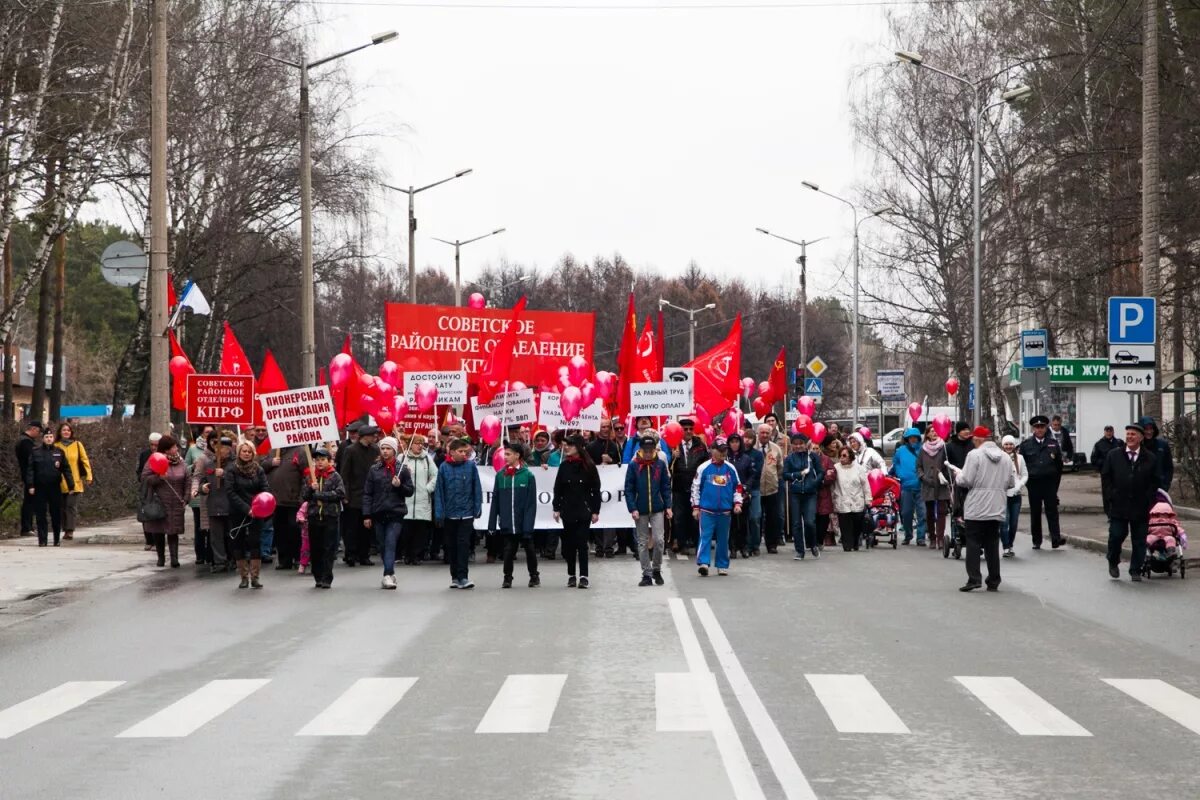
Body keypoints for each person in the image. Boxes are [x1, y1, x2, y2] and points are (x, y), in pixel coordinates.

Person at [954, 426, 1014, 592]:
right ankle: (994, 579)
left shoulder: (974, 455)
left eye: (974, 439)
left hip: (977, 506)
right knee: (992, 543)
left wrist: (957, 476)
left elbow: (966, 480)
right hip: (997, 506)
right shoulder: (1005, 457)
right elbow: (1011, 483)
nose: (973, 442)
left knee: (973, 542)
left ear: (979, 439)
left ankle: (974, 579)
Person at [1101, 424, 1160, 582]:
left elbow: (1155, 482)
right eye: (1128, 434)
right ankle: (1113, 561)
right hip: (1119, 504)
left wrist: (1149, 499)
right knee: (1116, 535)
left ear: (1140, 438)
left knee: (1139, 539)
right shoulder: (1114, 455)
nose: (1129, 437)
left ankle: (1136, 569)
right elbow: (1106, 479)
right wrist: (1110, 497)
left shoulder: (1150, 458)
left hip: (1141, 505)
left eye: (1133, 434)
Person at [363, 436, 416, 590]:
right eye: (383, 448)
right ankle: (390, 572)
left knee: (390, 542)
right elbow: (368, 493)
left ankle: (387, 574)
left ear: (394, 450)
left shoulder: (402, 469)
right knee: (382, 544)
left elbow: (410, 491)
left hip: (395, 513)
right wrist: (367, 515)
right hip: (378, 513)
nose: (385, 451)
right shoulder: (374, 470)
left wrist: (399, 486)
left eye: (388, 449)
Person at [554, 434, 602, 588]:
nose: (566, 447)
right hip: (568, 510)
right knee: (568, 545)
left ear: (579, 448)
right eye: (565, 444)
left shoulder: (589, 466)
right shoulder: (564, 466)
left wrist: (595, 510)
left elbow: (596, 490)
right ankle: (571, 575)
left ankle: (584, 576)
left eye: (570, 445)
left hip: (584, 510)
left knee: (582, 543)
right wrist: (556, 508)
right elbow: (558, 489)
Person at [489, 443, 539, 588]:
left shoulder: (528, 475)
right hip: (507, 523)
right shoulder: (500, 476)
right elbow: (495, 502)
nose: (505, 457)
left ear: (517, 455)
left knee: (529, 549)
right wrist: (492, 524)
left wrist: (528, 525)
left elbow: (531, 504)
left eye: (508, 454)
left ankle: (534, 576)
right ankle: (507, 577)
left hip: (523, 523)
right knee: (509, 551)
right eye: (505, 454)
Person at [434, 438, 482, 590]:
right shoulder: (443, 467)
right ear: (452, 452)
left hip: (466, 513)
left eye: (465, 452)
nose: (464, 454)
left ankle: (463, 576)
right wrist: (439, 512)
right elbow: (439, 492)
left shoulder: (470, 466)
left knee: (463, 544)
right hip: (450, 514)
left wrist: (476, 507)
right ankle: (454, 576)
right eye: (460, 452)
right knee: (452, 545)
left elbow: (477, 488)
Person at [624, 433, 672, 586]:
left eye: (651, 449)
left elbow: (665, 486)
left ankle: (656, 569)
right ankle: (646, 573)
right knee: (643, 542)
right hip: (641, 508)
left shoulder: (660, 464)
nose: (648, 453)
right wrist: (633, 508)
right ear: (641, 449)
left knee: (659, 540)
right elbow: (629, 488)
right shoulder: (634, 465)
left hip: (657, 508)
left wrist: (668, 506)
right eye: (646, 450)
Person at [691, 441, 743, 576]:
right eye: (719, 451)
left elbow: (737, 487)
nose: (723, 454)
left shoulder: (730, 468)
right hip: (707, 510)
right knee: (705, 536)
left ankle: (722, 565)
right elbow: (695, 487)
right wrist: (696, 507)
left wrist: (737, 503)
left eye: (725, 451)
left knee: (723, 539)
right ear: (712, 451)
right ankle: (703, 563)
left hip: (725, 511)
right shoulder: (703, 468)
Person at [225, 441, 269, 588]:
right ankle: (244, 577)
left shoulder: (259, 469)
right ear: (238, 452)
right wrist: (246, 508)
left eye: (249, 451)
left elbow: (265, 488)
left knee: (255, 542)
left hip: (257, 511)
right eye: (244, 451)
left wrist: (259, 506)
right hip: (238, 511)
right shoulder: (231, 469)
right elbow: (230, 492)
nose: (246, 454)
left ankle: (255, 577)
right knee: (238, 543)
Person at [140, 434, 188, 567]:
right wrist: (159, 477)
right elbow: (145, 479)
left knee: (173, 531)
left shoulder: (181, 462)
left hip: (176, 502)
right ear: (166, 450)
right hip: (159, 502)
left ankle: (174, 558)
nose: (176, 450)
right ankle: (161, 557)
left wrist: (186, 498)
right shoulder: (154, 460)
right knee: (158, 530)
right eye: (173, 447)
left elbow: (187, 480)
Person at [301, 447, 345, 589]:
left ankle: (327, 577)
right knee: (316, 548)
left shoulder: (335, 476)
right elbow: (304, 496)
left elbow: (339, 494)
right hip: (314, 516)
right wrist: (310, 489)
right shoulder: (311, 476)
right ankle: (318, 576)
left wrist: (321, 495)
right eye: (317, 460)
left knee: (329, 548)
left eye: (323, 459)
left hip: (330, 516)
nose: (319, 462)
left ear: (329, 461)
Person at [1018, 415, 1064, 549]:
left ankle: (1056, 538)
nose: (1039, 430)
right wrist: (1027, 483)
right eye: (1037, 427)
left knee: (1052, 511)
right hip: (1034, 483)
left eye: (1042, 427)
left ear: (1046, 428)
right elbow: (1022, 466)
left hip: (1050, 483)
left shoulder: (1053, 444)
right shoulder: (1026, 445)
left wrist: (1055, 485)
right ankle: (1036, 540)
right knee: (1035, 513)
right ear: (1033, 429)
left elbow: (1058, 466)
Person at [339, 424, 379, 566]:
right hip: (354, 495)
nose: (375, 438)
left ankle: (364, 555)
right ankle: (350, 554)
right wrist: (345, 494)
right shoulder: (350, 450)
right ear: (365, 437)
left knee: (366, 527)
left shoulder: (375, 450)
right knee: (351, 528)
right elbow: (345, 473)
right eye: (372, 435)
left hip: (370, 495)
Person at [26, 427, 73, 547]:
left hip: (54, 487)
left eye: (51, 437)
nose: (48, 439)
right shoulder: (35, 452)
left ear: (53, 438)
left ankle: (56, 539)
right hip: (39, 488)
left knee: (55, 514)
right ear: (43, 438)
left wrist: (71, 485)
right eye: (46, 437)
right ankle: (42, 540)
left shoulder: (59, 452)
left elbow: (66, 469)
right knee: (41, 514)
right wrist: (30, 485)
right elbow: (30, 470)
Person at [197, 433, 235, 573]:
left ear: (229, 449)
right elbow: (202, 481)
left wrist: (224, 474)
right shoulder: (209, 464)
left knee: (231, 535)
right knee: (216, 536)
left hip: (230, 505)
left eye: (223, 448)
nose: (219, 450)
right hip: (213, 503)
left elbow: (239, 482)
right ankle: (220, 561)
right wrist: (203, 488)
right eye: (217, 447)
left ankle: (233, 559)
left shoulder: (235, 464)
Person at [670, 418, 708, 556]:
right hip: (679, 487)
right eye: (685, 429)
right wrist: (672, 457)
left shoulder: (700, 445)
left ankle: (697, 543)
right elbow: (667, 467)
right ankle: (682, 543)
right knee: (679, 517)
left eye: (690, 429)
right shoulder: (673, 445)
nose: (688, 432)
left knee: (695, 517)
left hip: (695, 487)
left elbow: (705, 464)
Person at [782, 433, 823, 559]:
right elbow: (785, 474)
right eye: (796, 444)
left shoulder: (813, 457)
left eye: (801, 443)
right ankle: (800, 550)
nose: (798, 446)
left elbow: (821, 472)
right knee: (796, 523)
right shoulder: (789, 458)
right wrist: (796, 475)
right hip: (795, 493)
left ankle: (812, 544)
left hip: (810, 494)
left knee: (810, 522)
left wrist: (814, 483)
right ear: (792, 445)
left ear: (806, 444)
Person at [401, 434, 439, 566]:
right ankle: (407, 554)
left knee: (420, 531)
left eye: (422, 443)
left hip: (423, 501)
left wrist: (428, 488)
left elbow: (435, 475)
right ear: (410, 444)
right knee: (406, 530)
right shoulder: (402, 458)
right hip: (407, 500)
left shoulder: (427, 459)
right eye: (417, 443)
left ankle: (416, 555)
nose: (420, 446)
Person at [268, 446, 304, 570]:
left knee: (294, 528)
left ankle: (298, 557)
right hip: (276, 500)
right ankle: (284, 559)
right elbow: (261, 466)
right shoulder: (273, 450)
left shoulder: (300, 451)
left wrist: (302, 498)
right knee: (279, 530)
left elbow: (306, 474)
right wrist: (271, 462)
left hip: (293, 500)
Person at [54, 422, 91, 541]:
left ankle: (69, 530)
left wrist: (89, 475)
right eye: (64, 430)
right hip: (59, 481)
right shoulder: (56, 445)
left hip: (74, 481)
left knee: (70, 506)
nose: (66, 432)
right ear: (60, 432)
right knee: (62, 507)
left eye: (68, 430)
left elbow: (84, 460)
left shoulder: (77, 445)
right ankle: (65, 528)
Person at [889, 427, 926, 546]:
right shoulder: (900, 451)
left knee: (922, 513)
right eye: (910, 437)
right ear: (907, 439)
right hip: (906, 486)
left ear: (918, 438)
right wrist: (900, 474)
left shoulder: (923, 450)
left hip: (921, 486)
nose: (913, 439)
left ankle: (921, 537)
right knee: (906, 513)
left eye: (915, 437)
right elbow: (896, 464)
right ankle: (908, 535)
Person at [918, 426, 951, 551]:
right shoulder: (923, 449)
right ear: (927, 435)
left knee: (942, 512)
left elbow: (949, 463)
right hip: (928, 485)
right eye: (932, 431)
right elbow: (919, 466)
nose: (934, 433)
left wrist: (946, 476)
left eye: (936, 430)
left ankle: (941, 539)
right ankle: (932, 538)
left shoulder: (944, 447)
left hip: (941, 484)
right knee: (930, 513)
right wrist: (923, 477)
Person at [832, 446, 870, 551]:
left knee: (857, 524)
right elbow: (832, 486)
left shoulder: (859, 468)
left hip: (857, 500)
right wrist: (833, 500)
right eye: (840, 456)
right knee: (844, 525)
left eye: (844, 455)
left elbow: (865, 485)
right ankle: (847, 544)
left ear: (850, 456)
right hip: (842, 500)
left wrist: (868, 499)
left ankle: (855, 542)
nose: (841, 458)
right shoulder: (836, 468)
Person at [754, 424, 784, 554]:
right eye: (762, 433)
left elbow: (780, 467)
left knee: (773, 517)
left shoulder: (776, 449)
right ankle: (754, 544)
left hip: (772, 488)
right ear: (758, 433)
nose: (765, 435)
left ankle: (771, 544)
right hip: (756, 488)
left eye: (767, 433)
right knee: (756, 517)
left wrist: (775, 479)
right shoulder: (752, 448)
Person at [726, 433, 756, 558]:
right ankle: (732, 547)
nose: (734, 444)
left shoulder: (746, 458)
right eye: (732, 442)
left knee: (743, 522)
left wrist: (746, 487)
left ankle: (744, 547)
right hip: (728, 494)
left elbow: (752, 475)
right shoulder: (726, 458)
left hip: (743, 494)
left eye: (737, 442)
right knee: (731, 523)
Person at [185, 426, 212, 562]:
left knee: (211, 527)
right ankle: (200, 555)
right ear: (202, 433)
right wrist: (193, 466)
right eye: (207, 432)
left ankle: (210, 554)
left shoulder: (216, 449)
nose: (209, 434)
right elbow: (185, 468)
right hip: (198, 496)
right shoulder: (193, 449)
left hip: (211, 495)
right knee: (199, 527)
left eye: (211, 432)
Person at [999, 435, 1028, 558]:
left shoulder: (1020, 458)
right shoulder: (999, 458)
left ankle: (1010, 544)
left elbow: (1025, 475)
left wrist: (1019, 486)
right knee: (1004, 522)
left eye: (1011, 444)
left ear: (1014, 445)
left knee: (1014, 522)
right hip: (1003, 494)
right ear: (1002, 445)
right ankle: (1006, 547)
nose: (1008, 446)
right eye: (1006, 444)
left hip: (1016, 494)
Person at [15, 419, 43, 537]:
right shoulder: (26, 443)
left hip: (28, 475)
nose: (39, 435)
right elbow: (31, 460)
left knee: (30, 501)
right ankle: (26, 528)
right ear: (34, 429)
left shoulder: (25, 441)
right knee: (29, 502)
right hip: (29, 476)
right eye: (39, 432)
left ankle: (29, 526)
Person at [743, 428, 765, 555]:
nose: (747, 440)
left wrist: (749, 486)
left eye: (750, 438)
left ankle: (755, 544)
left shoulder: (757, 455)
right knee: (743, 519)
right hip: (741, 489)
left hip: (754, 488)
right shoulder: (739, 454)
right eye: (746, 437)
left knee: (755, 517)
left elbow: (756, 472)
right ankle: (745, 543)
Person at [814, 437, 838, 549]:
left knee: (823, 518)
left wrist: (823, 479)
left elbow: (832, 473)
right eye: (813, 448)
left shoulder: (826, 459)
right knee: (812, 519)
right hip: (811, 494)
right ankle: (812, 540)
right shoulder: (806, 459)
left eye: (816, 448)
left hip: (824, 493)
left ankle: (820, 541)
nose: (815, 450)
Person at [1140, 416, 1174, 491]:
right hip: (1141, 490)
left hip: (1159, 488)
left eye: (1151, 429)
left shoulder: (1162, 445)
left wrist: (1166, 484)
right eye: (1146, 429)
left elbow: (1169, 467)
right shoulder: (1137, 446)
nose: (1149, 432)